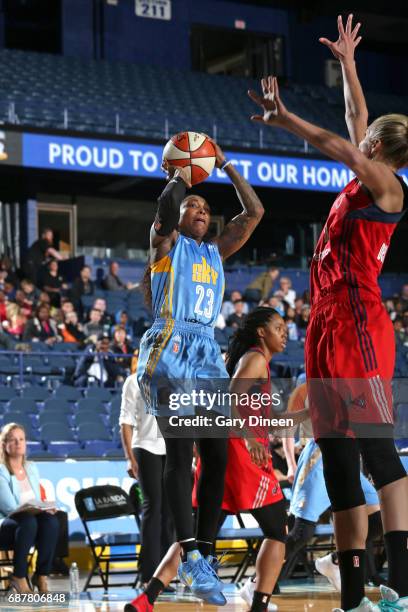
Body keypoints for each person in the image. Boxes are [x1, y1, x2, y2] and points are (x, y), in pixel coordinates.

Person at [248, 14, 408, 611]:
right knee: (337, 460)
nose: (359, 141)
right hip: (325, 325)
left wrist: (286, 118)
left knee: (376, 450)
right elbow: (353, 123)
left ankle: (401, 583)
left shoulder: (388, 184)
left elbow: (342, 140)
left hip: (359, 322)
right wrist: (349, 66)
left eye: (369, 141)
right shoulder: (365, 177)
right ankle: (354, 598)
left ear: (381, 150)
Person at [125, 137, 264, 611]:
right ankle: (188, 553)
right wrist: (180, 173)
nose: (200, 209)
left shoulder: (215, 252)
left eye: (205, 206)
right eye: (192, 205)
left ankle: (201, 554)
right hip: (170, 346)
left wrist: (223, 164)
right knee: (181, 453)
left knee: (218, 458)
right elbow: (165, 205)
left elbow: (254, 213)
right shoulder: (165, 244)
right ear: (179, 216)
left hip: (205, 351)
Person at [282, 377, 384, 591]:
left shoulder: (359, 386)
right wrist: (291, 463)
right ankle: (256, 583)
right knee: (302, 532)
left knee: (378, 517)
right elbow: (287, 428)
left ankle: (336, 561)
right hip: (319, 457)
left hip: (349, 459)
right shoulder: (306, 388)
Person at [119, 363, 173, 587]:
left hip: (172, 448)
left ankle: (164, 577)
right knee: (153, 509)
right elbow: (125, 422)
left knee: (170, 512)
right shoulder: (134, 381)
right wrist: (130, 458)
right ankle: (149, 574)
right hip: (145, 448)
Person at [0, 423, 59, 594]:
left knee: (51, 521)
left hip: (28, 521)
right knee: (28, 521)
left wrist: (45, 508)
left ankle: (41, 575)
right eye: (13, 440)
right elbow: (9, 507)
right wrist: (34, 509)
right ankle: (19, 576)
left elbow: (36, 500)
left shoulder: (31, 468)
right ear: (4, 445)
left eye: (21, 439)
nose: (18, 443)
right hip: (7, 524)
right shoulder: (1, 471)